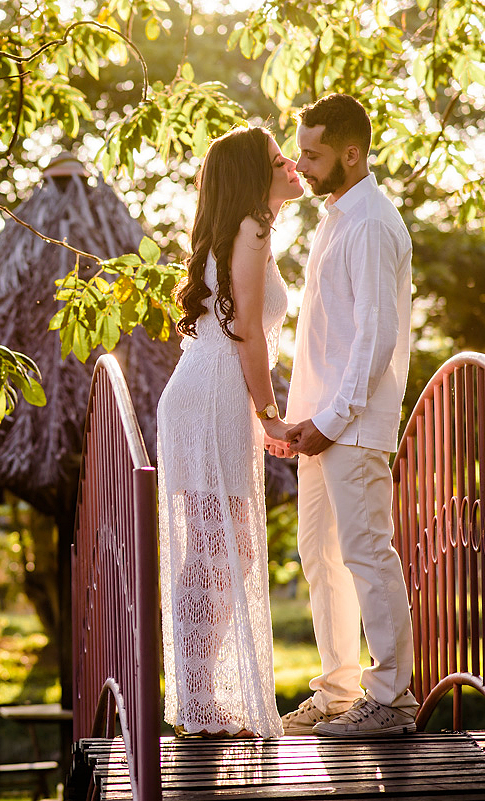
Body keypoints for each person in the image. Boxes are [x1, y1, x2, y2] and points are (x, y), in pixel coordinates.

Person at [276, 94, 418, 737]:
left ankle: (391, 700)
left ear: (352, 153)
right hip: (321, 423)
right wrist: (301, 419)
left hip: (352, 426)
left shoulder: (372, 223)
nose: (301, 164)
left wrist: (331, 420)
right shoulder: (335, 215)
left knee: (366, 553)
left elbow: (375, 338)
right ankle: (336, 692)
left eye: (313, 154)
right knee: (319, 557)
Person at [157, 126, 302, 738]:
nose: (291, 163)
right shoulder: (250, 228)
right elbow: (247, 328)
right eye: (277, 159)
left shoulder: (255, 230)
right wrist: (270, 414)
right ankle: (199, 700)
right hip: (214, 392)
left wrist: (259, 410)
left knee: (225, 546)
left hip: (212, 390)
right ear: (252, 175)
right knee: (220, 546)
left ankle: (202, 696)